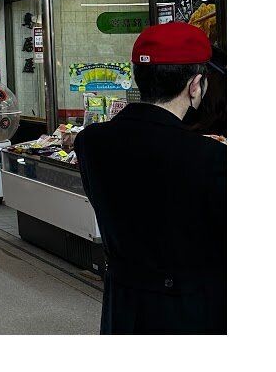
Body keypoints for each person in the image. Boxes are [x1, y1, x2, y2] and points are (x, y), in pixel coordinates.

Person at [74, 22, 225, 332]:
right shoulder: (210, 157)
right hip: (191, 313)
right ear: (195, 85)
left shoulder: (91, 142)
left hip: (121, 308)